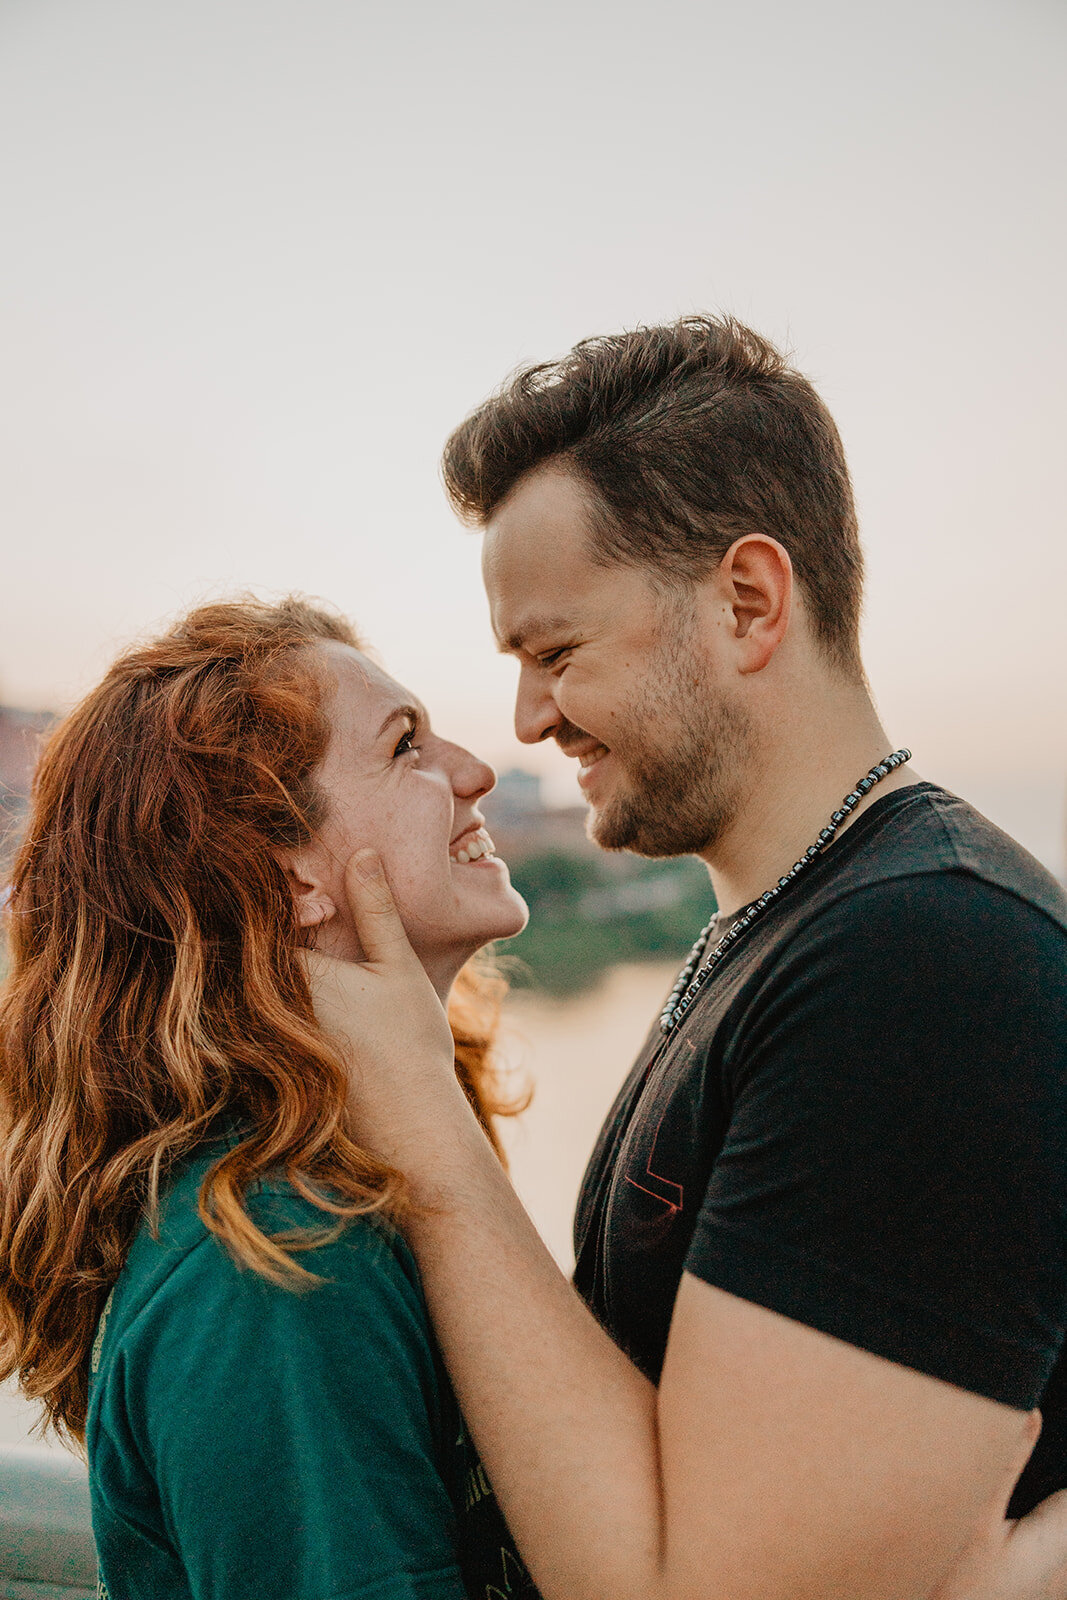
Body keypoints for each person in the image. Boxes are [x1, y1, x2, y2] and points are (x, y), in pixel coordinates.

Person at [308, 317, 1067, 1600]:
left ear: (746, 602)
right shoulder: (789, 927)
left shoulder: (923, 962)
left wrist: (424, 1122)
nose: (526, 721)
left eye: (555, 654)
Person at [0, 598, 540, 1600]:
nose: (474, 771)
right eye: (405, 746)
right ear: (288, 875)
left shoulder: (343, 1177)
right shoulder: (276, 1256)